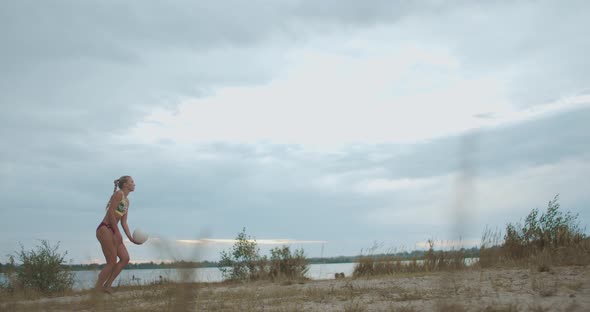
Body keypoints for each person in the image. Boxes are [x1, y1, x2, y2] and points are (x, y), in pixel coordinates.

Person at [95, 175, 141, 294]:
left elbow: (124, 222)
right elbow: (110, 214)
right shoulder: (118, 194)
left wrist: (131, 238)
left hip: (113, 230)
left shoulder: (127, 201)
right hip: (105, 229)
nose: (134, 184)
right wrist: (116, 232)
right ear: (125, 184)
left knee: (125, 258)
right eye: (132, 182)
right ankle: (97, 290)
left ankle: (107, 286)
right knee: (111, 262)